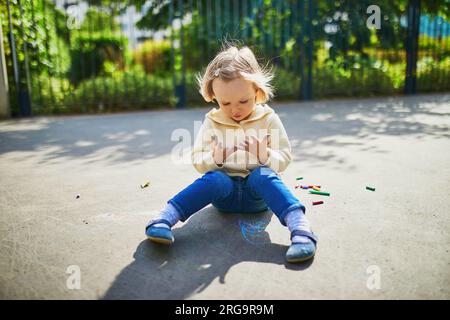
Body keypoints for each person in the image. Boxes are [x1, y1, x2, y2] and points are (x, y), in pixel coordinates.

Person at [145, 44, 318, 263]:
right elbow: (198, 160)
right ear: (214, 96)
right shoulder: (212, 121)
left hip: (258, 198)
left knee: (262, 175)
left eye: (243, 101)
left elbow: (284, 157)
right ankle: (164, 219)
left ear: (257, 91)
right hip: (224, 198)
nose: (235, 109)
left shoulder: (268, 119)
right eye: (225, 102)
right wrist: (215, 158)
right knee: (217, 179)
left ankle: (301, 231)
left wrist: (264, 155)